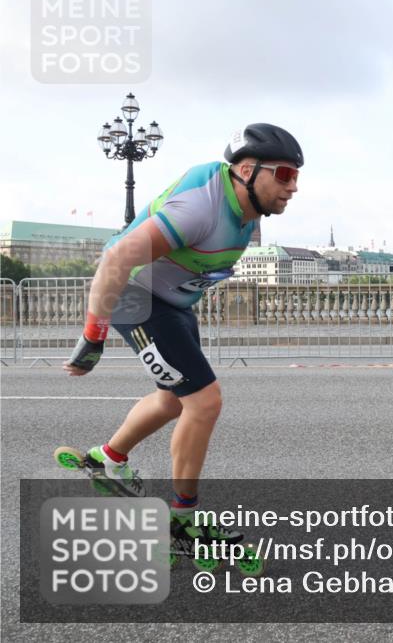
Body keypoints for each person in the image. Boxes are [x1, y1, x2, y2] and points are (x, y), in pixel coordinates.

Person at [63, 123, 303, 538]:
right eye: (284, 174)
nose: (293, 186)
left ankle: (108, 456)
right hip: (134, 296)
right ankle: (183, 518)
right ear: (246, 171)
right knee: (204, 402)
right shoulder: (199, 210)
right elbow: (118, 257)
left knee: (174, 400)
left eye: (297, 176)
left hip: (170, 302)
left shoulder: (245, 207)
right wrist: (93, 334)